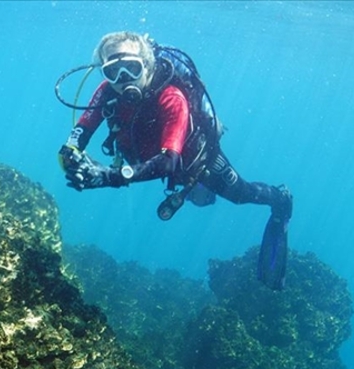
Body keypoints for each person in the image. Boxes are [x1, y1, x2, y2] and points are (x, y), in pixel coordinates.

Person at [57, 31, 293, 289]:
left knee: (239, 194)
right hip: (147, 163)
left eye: (132, 68)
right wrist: (69, 157)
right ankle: (193, 192)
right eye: (114, 72)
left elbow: (168, 162)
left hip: (197, 163)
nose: (124, 80)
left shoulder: (172, 98)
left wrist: (107, 176)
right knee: (198, 198)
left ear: (147, 65)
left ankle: (280, 200)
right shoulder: (106, 93)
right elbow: (80, 132)